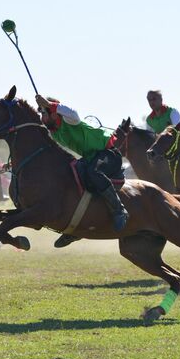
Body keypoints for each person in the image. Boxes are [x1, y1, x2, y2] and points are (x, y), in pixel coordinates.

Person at [35, 94, 129, 248]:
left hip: (108, 153)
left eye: (43, 113)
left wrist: (49, 104)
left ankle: (119, 210)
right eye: (41, 113)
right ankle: (77, 229)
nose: (42, 117)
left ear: (54, 112)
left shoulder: (68, 119)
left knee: (94, 172)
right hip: (90, 159)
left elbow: (73, 113)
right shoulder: (53, 132)